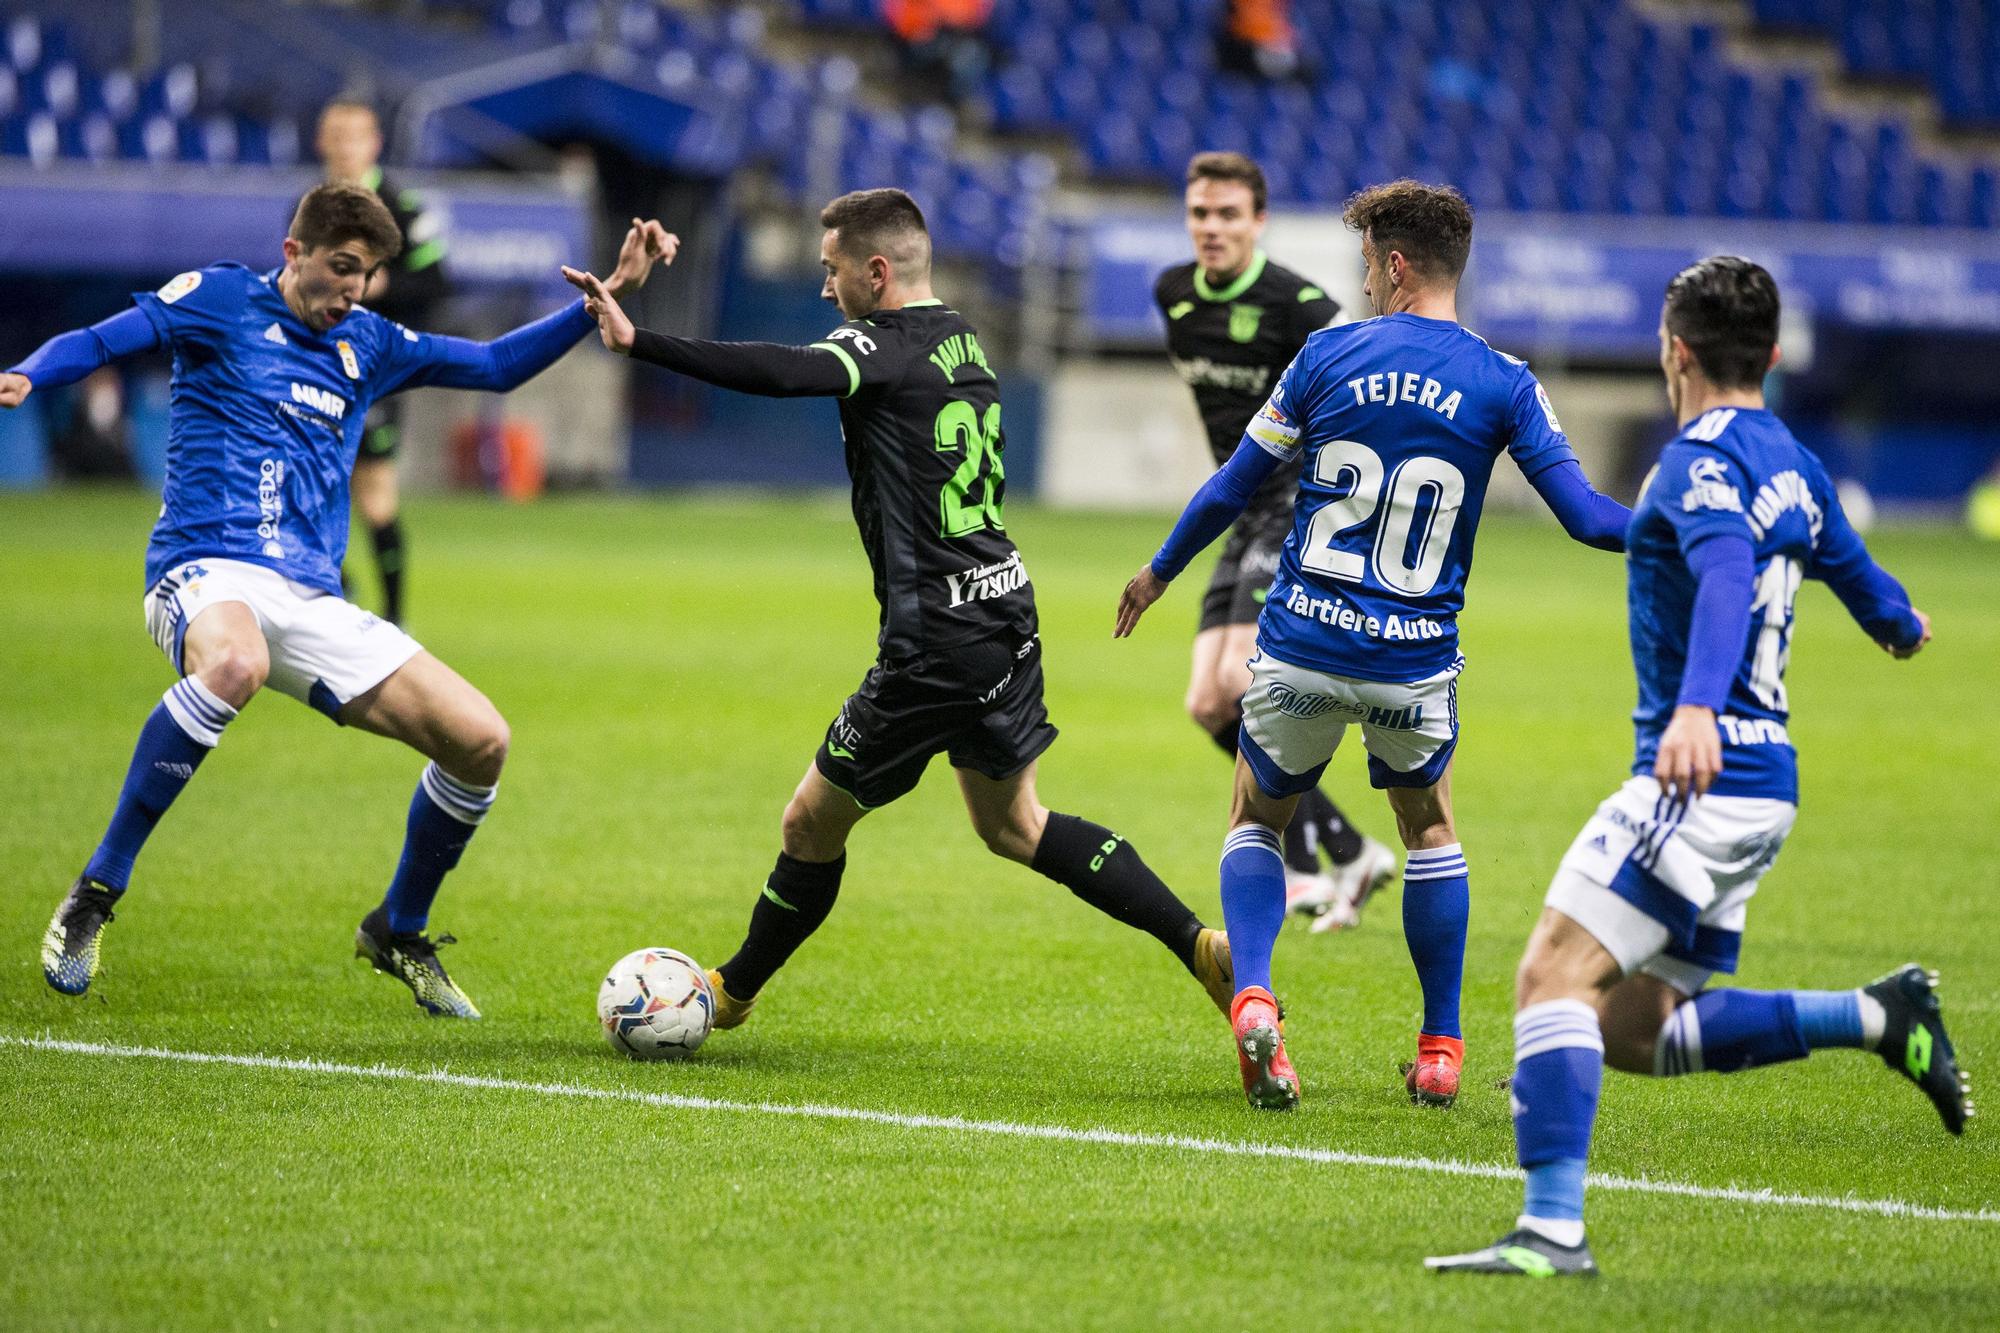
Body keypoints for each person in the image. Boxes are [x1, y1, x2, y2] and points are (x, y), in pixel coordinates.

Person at [562, 187, 1236, 1028]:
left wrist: (641, 340)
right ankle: (1197, 941)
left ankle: (729, 991)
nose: (822, 290)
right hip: (1006, 613)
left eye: (830, 271)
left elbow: (787, 370)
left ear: (875, 272)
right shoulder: (961, 337)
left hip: (935, 642)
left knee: (808, 821)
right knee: (1015, 823)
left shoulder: (875, 345)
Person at [5, 184, 672, 1016]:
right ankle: (96, 891)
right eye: (342, 268)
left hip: (312, 597)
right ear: (296, 255)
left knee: (481, 741)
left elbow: (495, 367)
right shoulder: (219, 299)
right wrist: (30, 374)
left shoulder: (372, 342)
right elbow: (104, 337)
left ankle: (398, 926)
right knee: (237, 664)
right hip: (205, 569)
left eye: (367, 274)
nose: (354, 289)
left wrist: (600, 299)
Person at [1425, 257, 1968, 1278]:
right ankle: (1875, 1013)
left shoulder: (1688, 460)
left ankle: (1549, 1232)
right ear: (1769, 354)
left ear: (1670, 350)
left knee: (1550, 973)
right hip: (1764, 787)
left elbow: (1723, 574)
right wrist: (1897, 623)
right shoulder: (1793, 462)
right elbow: (1853, 571)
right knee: (1637, 1029)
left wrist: (1692, 711)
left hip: (1702, 776)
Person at [1116, 180, 1630, 1110]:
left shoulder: (1324, 355)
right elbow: (1591, 521)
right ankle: (1439, 1047)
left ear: (1394, 265)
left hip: (1304, 639)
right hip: (1412, 661)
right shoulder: (1506, 380)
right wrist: (1686, 532)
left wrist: (1157, 572)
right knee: (1428, 826)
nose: (1363, 277)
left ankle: (1257, 996)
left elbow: (1233, 488)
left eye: (1366, 262)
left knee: (1256, 818)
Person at [1156, 151, 1396, 930]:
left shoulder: (1298, 302)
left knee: (1235, 685)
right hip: (1237, 506)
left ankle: (1296, 860)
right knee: (1205, 700)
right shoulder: (1173, 296)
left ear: (1258, 221)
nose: (1212, 227)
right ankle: (1346, 848)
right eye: (1200, 213)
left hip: (1295, 501)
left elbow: (1363, 377)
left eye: (1229, 214)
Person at [317, 98, 453, 625]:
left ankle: (395, 618)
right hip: (315, 365)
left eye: (356, 136)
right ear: (322, 143)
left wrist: (377, 285)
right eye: (336, 136)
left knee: (374, 494)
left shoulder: (402, 206)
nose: (346, 147)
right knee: (308, 483)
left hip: (373, 371)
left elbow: (439, 282)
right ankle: (337, 592)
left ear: (374, 144)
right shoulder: (310, 207)